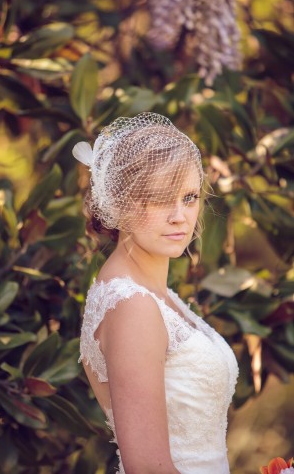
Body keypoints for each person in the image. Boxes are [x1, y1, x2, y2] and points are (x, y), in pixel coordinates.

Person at [75, 113, 238, 473]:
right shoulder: (133, 305)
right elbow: (148, 468)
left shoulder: (153, 293)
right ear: (120, 202)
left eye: (190, 196)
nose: (181, 216)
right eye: (161, 198)